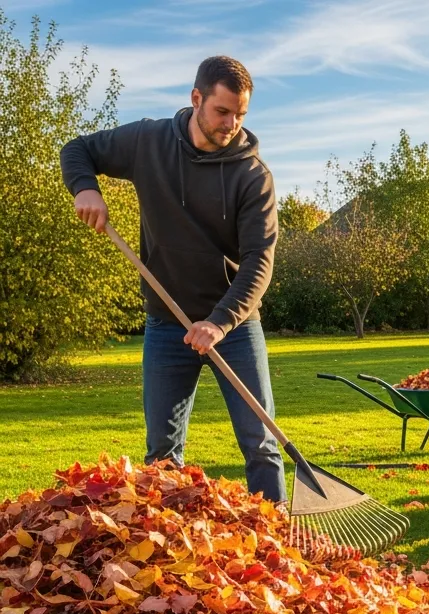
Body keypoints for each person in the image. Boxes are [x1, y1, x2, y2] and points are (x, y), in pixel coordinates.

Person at [60, 55, 287, 503]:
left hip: (234, 327)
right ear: (196, 98)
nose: (232, 124)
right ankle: (169, 550)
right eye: (223, 111)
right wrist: (85, 187)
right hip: (167, 323)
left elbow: (260, 261)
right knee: (162, 455)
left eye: (241, 114)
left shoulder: (251, 176)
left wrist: (219, 322)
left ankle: (277, 544)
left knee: (261, 445)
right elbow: (77, 149)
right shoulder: (149, 141)